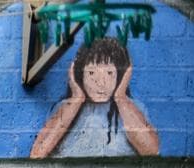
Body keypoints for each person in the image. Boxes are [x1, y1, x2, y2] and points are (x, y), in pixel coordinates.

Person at [30, 37, 159, 158]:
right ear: (80, 74)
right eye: (91, 73)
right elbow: (37, 154)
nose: (101, 83)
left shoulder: (131, 109)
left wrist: (120, 96)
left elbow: (152, 152)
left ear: (121, 75)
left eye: (109, 73)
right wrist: (77, 97)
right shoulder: (65, 109)